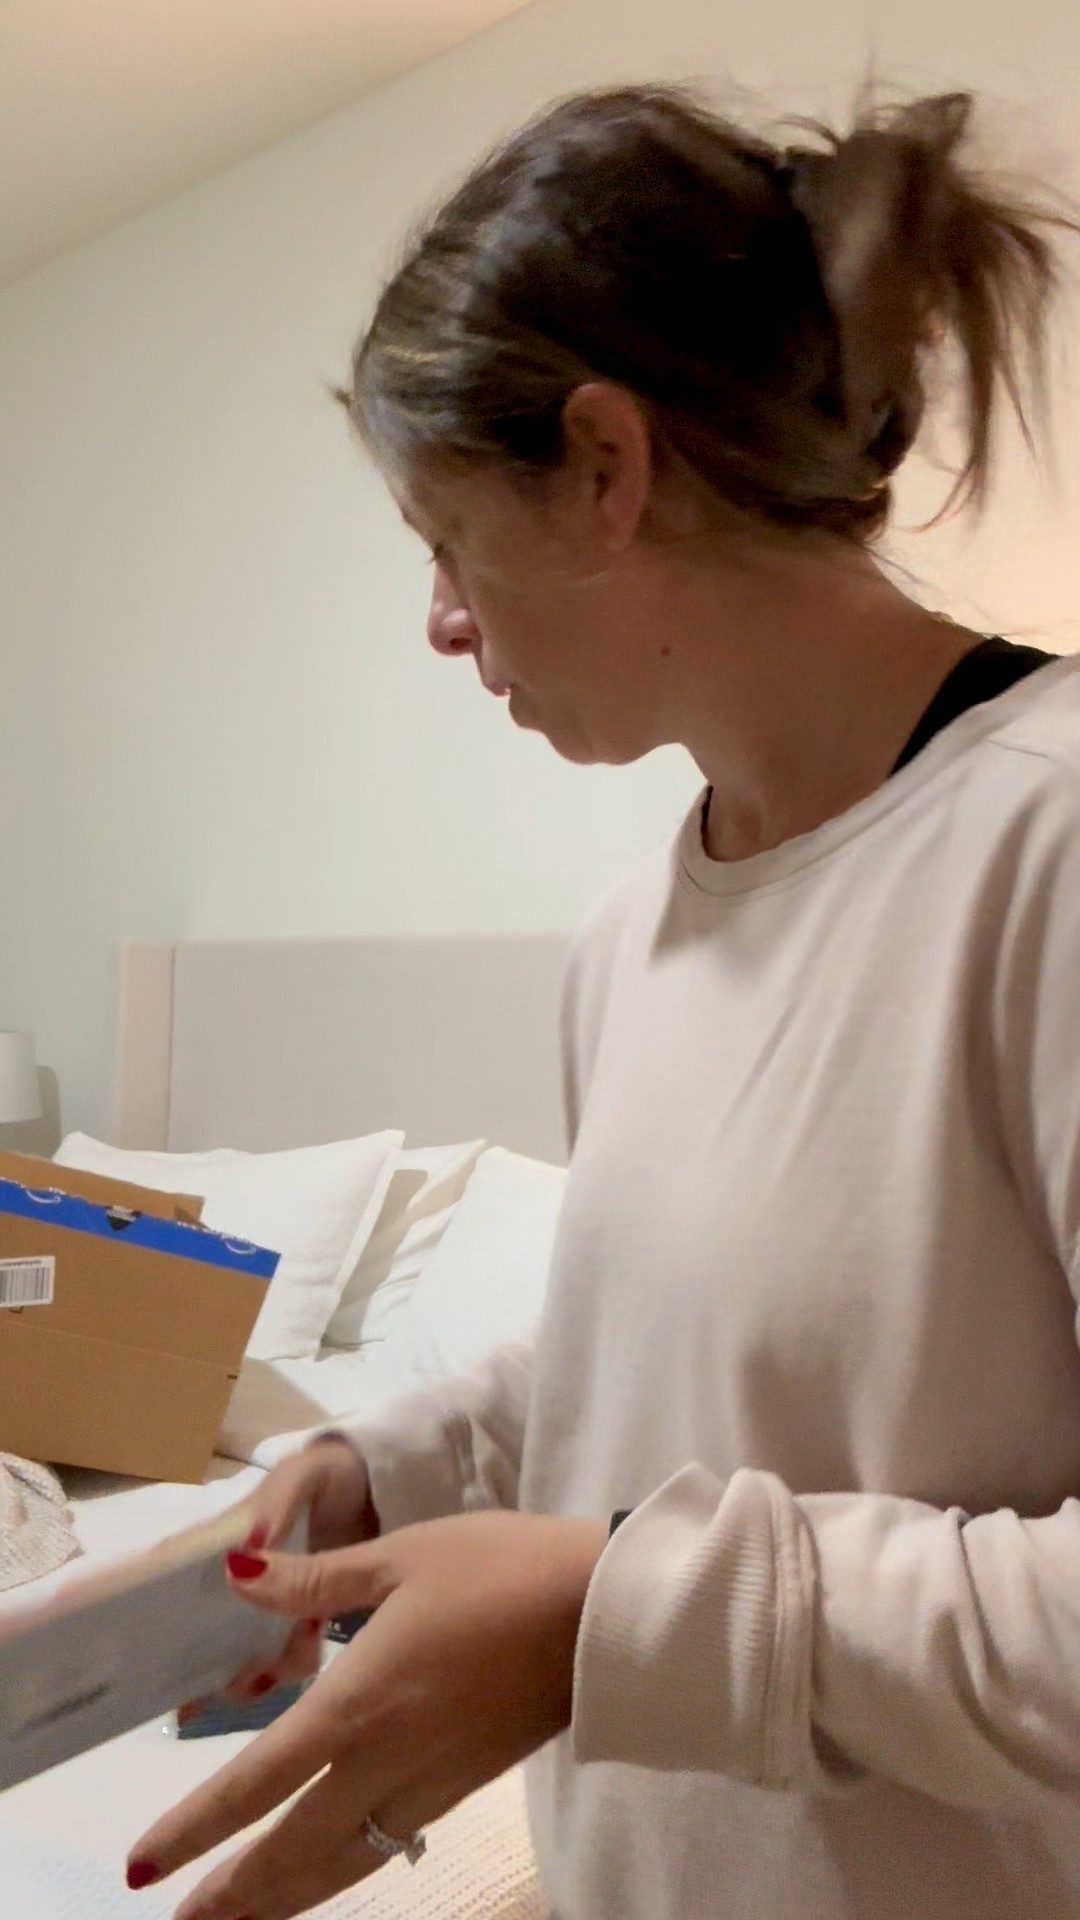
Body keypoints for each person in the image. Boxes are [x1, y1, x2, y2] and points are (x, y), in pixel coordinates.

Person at [126, 83, 1080, 1920]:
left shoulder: (1044, 843)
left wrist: (603, 1613)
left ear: (603, 464)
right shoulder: (634, 929)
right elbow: (659, 1370)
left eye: (444, 535)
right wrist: (386, 1469)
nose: (441, 621)